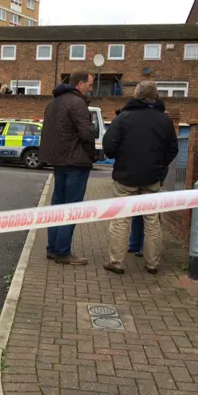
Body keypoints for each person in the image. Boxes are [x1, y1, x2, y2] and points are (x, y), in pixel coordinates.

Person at [102, 81, 178, 275]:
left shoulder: (124, 118)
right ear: (155, 97)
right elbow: (173, 149)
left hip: (125, 177)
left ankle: (116, 262)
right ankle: (152, 263)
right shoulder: (165, 120)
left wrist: (120, 156)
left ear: (136, 95)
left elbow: (109, 147)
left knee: (121, 219)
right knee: (152, 221)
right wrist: (160, 166)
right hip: (152, 178)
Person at [39, 71, 96, 266]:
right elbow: (87, 134)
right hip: (76, 162)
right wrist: (91, 155)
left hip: (59, 162)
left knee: (57, 205)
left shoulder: (53, 102)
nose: (91, 88)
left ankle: (52, 249)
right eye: (90, 84)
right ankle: (63, 252)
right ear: (80, 84)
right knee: (71, 208)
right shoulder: (78, 103)